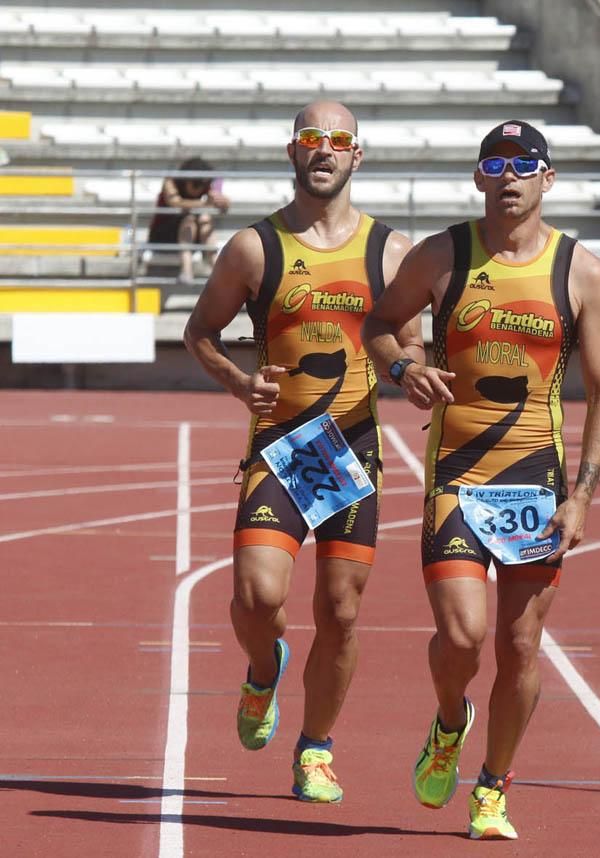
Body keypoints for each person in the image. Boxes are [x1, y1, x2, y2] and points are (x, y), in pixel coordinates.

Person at [361, 120, 600, 840]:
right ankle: (450, 721)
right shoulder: (443, 256)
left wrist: (582, 497)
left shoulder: (582, 273)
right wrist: (404, 367)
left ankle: (493, 786)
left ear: (547, 179)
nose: (510, 177)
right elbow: (378, 323)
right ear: (478, 178)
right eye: (496, 164)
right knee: (463, 637)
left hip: (536, 483)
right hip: (455, 474)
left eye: (525, 165)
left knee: (520, 647)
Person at [183, 101, 411, 803]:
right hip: (281, 448)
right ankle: (262, 669)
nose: (325, 150)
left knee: (341, 612)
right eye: (312, 139)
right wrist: (238, 383)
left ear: (356, 156)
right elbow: (200, 332)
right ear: (292, 151)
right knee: (257, 597)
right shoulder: (254, 248)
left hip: (353, 451)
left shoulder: (392, 251)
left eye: (338, 140)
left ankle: (315, 747)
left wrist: (410, 368)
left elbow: (411, 338)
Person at [149, 156, 231, 285]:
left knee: (205, 218)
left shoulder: (208, 184)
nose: (199, 188)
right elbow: (175, 202)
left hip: (193, 236)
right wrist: (205, 203)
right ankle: (186, 270)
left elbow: (221, 207)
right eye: (196, 184)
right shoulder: (171, 182)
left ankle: (215, 267)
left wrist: (224, 203)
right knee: (190, 220)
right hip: (165, 233)